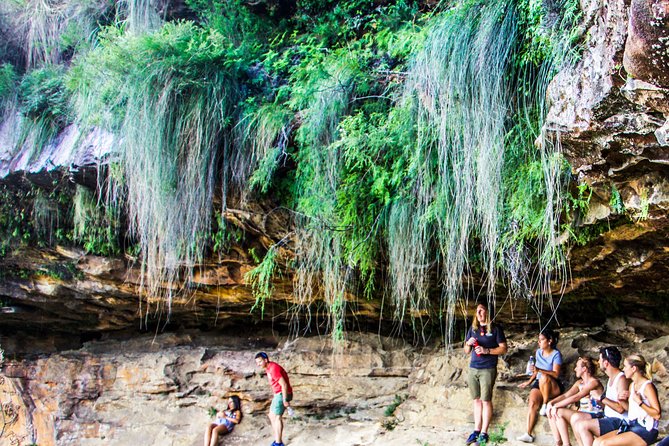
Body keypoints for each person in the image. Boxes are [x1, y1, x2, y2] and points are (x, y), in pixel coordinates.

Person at [463, 302, 508, 445]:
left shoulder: (495, 329)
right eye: (477, 311)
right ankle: (476, 431)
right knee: (476, 400)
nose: (479, 313)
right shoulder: (473, 328)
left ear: (488, 312)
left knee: (486, 400)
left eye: (482, 310)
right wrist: (468, 344)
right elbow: (466, 350)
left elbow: (503, 349)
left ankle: (484, 432)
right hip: (473, 368)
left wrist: (487, 350)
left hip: (487, 368)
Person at [593, 354, 661, 446]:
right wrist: (621, 401)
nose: (623, 369)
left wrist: (640, 403)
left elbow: (657, 414)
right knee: (597, 442)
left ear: (633, 369)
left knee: (605, 444)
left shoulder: (647, 386)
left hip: (645, 429)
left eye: (625, 366)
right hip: (632, 425)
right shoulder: (632, 385)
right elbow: (631, 410)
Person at [573, 346, 629, 446]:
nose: (598, 362)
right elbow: (608, 405)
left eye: (600, 359)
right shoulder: (611, 378)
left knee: (583, 426)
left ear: (606, 363)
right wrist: (597, 401)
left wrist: (601, 397)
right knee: (577, 421)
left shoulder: (621, 379)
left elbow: (621, 409)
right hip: (609, 417)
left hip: (619, 421)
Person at [517, 328, 563, 443]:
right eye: (538, 340)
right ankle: (528, 433)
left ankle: (545, 403)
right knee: (532, 403)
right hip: (540, 382)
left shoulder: (556, 354)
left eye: (541, 340)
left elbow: (556, 374)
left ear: (549, 341)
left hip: (552, 384)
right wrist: (528, 382)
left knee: (544, 377)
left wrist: (540, 370)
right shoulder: (538, 352)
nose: (539, 342)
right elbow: (536, 371)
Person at [545, 356, 604, 446]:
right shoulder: (579, 383)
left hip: (595, 414)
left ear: (584, 369)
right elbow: (566, 395)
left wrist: (556, 405)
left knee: (558, 409)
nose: (575, 369)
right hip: (583, 413)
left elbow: (577, 397)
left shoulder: (594, 382)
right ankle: (562, 443)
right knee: (557, 412)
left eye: (577, 366)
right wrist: (551, 403)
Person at [255, 351, 293, 446]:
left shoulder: (273, 368)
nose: (258, 364)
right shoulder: (269, 368)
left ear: (266, 360)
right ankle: (277, 438)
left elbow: (283, 384)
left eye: (260, 361)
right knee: (271, 416)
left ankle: (278, 443)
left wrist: (284, 399)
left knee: (277, 417)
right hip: (278, 394)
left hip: (282, 394)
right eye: (257, 362)